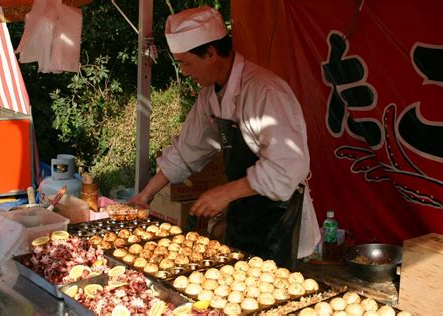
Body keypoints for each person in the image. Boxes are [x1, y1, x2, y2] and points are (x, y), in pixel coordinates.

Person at [129, 6, 320, 268]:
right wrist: (145, 196)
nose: (184, 72)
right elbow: (187, 150)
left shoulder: (265, 91)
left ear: (210, 53)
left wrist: (225, 192)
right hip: (243, 211)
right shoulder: (210, 96)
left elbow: (288, 166)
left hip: (278, 217)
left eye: (186, 63)